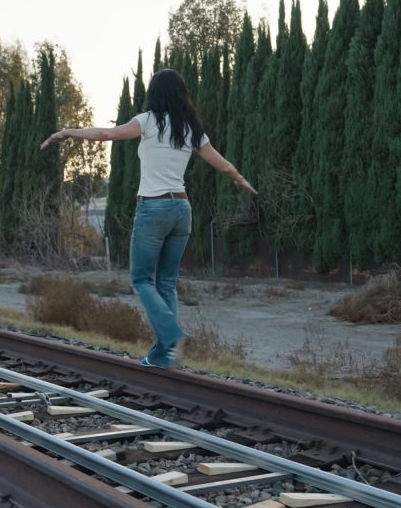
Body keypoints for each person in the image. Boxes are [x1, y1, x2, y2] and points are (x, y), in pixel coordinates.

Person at [41, 68, 257, 369]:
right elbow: (222, 165)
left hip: (154, 208)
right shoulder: (190, 129)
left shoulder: (148, 121)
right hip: (182, 210)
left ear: (154, 93)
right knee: (166, 281)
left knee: (141, 279)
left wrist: (67, 132)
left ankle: (172, 334)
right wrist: (241, 180)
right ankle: (162, 355)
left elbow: (107, 134)